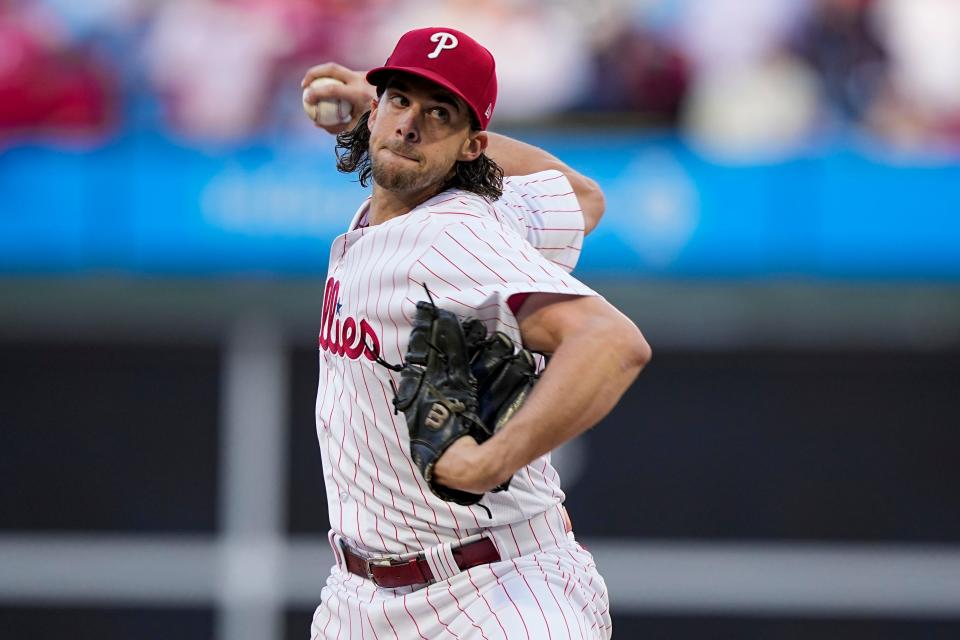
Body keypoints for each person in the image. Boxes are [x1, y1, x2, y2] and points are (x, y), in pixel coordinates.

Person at [300, 27, 651, 640]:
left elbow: (612, 341)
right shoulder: (497, 211)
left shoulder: (450, 238)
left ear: (472, 146)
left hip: (491, 594)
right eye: (399, 100)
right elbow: (584, 196)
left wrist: (494, 459)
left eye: (440, 114)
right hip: (359, 598)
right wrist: (376, 104)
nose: (409, 125)